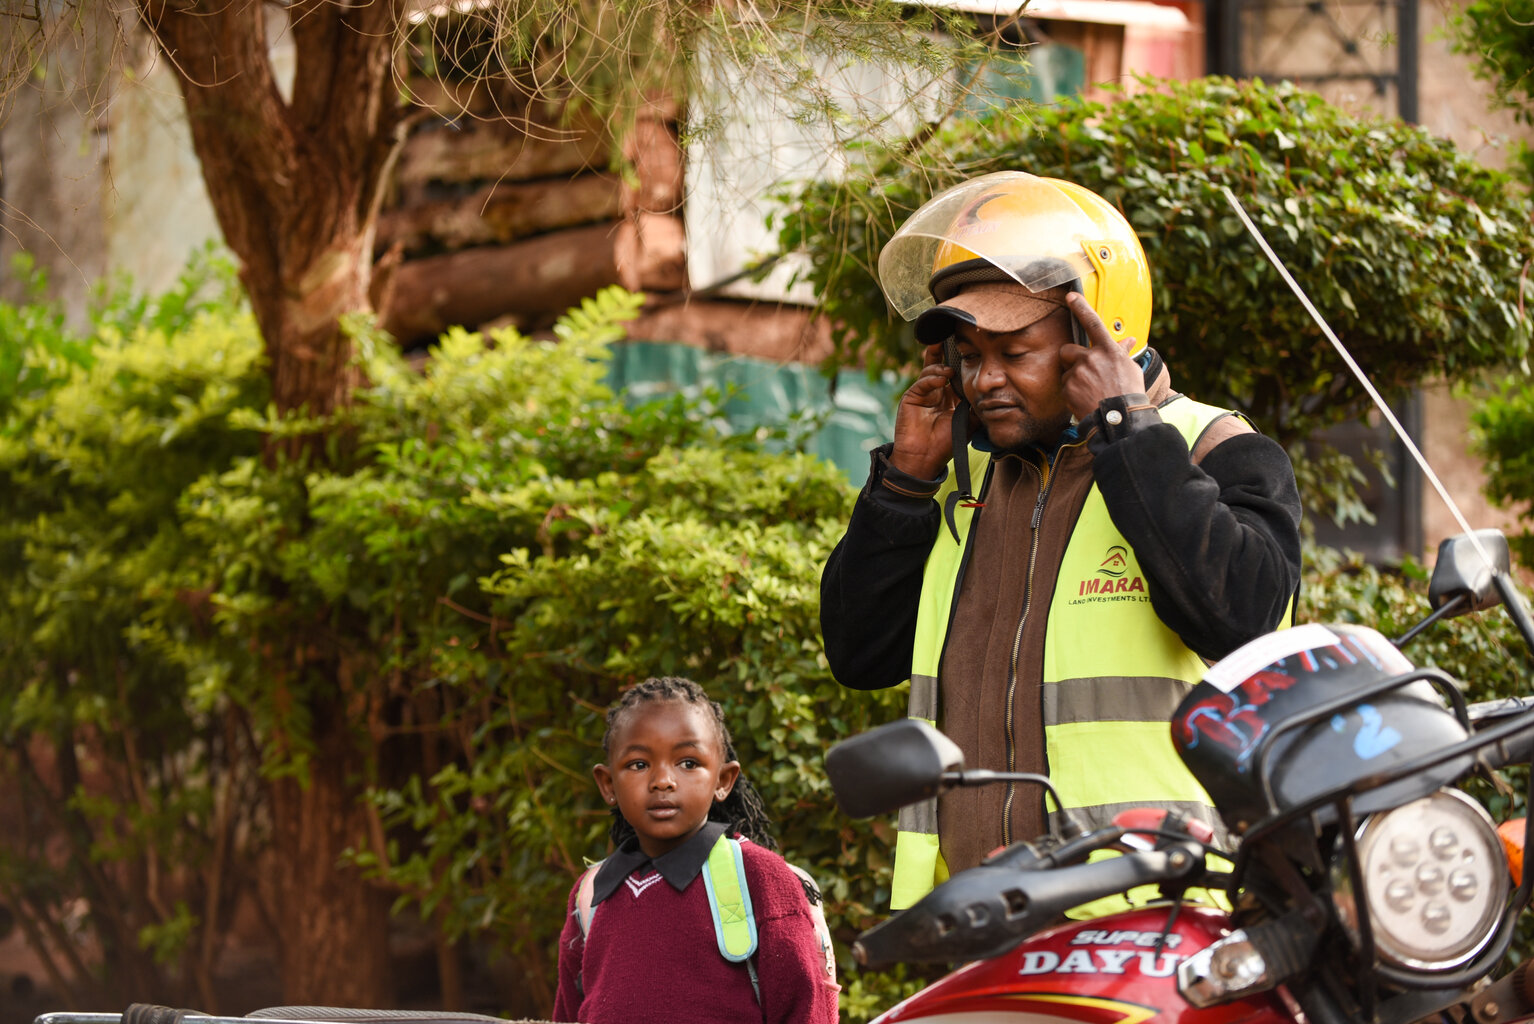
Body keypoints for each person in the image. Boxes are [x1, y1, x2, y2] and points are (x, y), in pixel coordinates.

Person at [819, 171, 1303, 910]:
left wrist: (1124, 431)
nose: (984, 380)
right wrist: (906, 485)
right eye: (970, 356)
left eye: (1015, 351)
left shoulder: (1214, 448)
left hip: (1158, 910)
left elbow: (1239, 619)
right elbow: (860, 655)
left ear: (1097, 338)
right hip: (979, 915)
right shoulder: (964, 476)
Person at [552, 676, 839, 1024]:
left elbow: (806, 1012)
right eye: (639, 764)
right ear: (608, 784)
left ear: (723, 781)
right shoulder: (591, 894)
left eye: (688, 763)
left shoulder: (761, 878)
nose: (663, 780)